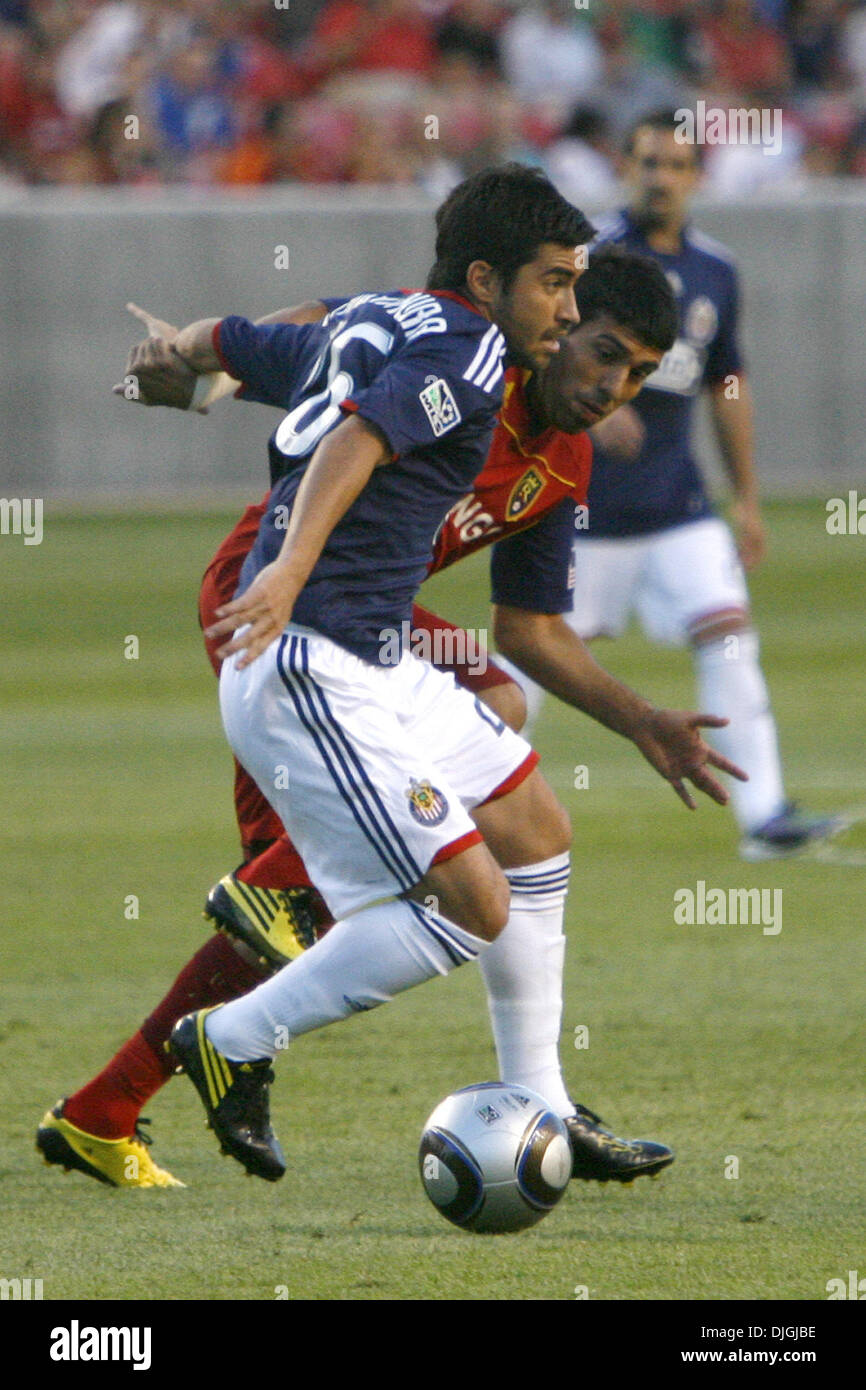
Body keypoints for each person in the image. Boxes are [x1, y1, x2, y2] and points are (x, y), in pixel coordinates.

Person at [38, 242, 738, 1189]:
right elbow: (323, 333)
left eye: (641, 375)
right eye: (605, 351)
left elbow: (528, 629)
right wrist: (199, 368)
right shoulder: (454, 359)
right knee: (295, 919)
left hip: (374, 627)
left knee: (504, 750)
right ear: (561, 322)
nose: (615, 385)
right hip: (272, 602)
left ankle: (110, 1105)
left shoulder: (562, 457)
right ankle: (258, 925)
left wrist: (643, 718)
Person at [520, 110, 843, 860]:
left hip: (679, 506)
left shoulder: (716, 271)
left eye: (675, 164)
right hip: (580, 508)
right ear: (626, 167)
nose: (660, 177)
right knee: (527, 661)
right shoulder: (586, 257)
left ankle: (764, 816)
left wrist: (749, 497)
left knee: (730, 639)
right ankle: (454, 800)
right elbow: (532, 347)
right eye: (647, 161)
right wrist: (587, 413)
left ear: (697, 177)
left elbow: (728, 385)